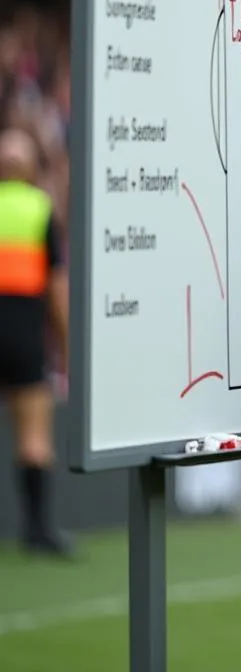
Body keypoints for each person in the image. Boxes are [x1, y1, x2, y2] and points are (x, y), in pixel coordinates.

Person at [0, 126, 71, 556]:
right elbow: (57, 288)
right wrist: (66, 344)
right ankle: (37, 530)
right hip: (25, 332)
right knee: (34, 435)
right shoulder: (39, 209)